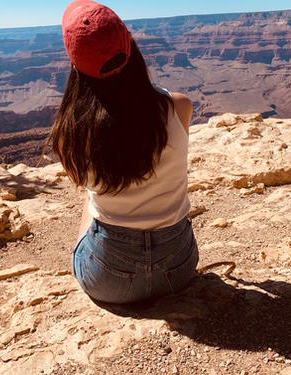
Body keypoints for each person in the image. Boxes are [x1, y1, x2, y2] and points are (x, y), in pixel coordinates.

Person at [49, 0, 198, 304]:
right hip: (178, 268)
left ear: (74, 63)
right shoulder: (179, 107)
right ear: (130, 45)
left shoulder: (70, 134)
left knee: (90, 201)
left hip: (108, 279)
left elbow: (84, 185)